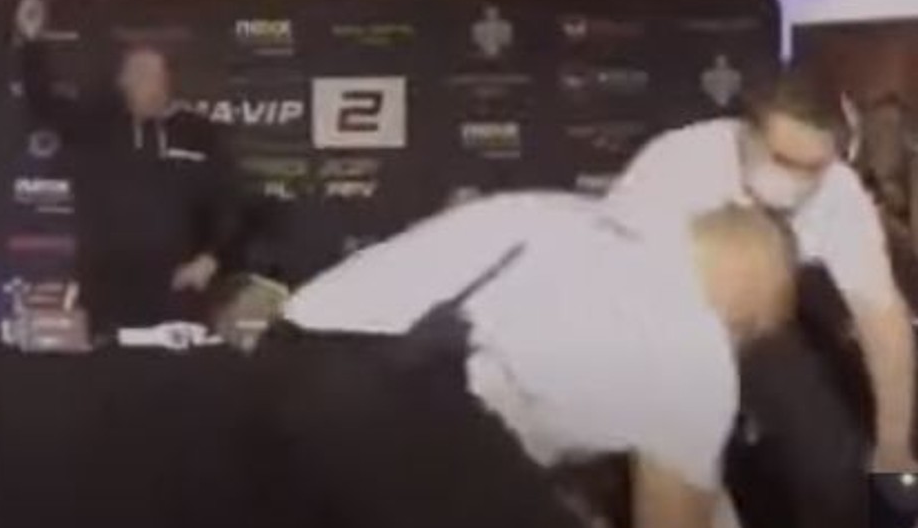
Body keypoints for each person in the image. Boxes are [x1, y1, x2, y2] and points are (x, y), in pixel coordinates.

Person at [259, 193, 797, 528]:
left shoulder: (577, 220)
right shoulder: (692, 336)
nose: (743, 350)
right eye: (753, 333)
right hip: (383, 380)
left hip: (284, 357)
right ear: (749, 292)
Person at [605, 69, 918, 526]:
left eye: (814, 167)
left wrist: (893, 450)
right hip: (653, 333)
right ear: (747, 136)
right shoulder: (670, 171)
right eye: (785, 160)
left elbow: (883, 321)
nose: (799, 179)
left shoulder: (838, 191)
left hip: (761, 325)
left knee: (831, 463)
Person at [13, 0, 242, 334]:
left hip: (178, 287)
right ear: (122, 82)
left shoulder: (197, 132)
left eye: (153, 77)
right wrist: (32, 41)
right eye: (136, 76)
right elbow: (42, 103)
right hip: (106, 289)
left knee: (183, 366)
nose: (145, 85)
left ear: (167, 82)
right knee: (108, 364)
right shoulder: (95, 126)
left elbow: (229, 204)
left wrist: (211, 258)